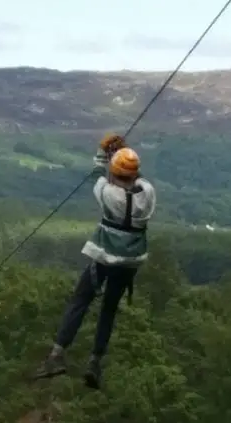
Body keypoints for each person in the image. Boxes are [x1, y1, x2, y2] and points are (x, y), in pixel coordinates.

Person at [33, 133, 157, 389]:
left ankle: (56, 355)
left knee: (80, 300)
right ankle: (95, 362)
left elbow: (97, 174)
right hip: (129, 262)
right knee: (108, 310)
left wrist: (105, 153)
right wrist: (124, 154)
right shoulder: (147, 195)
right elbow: (137, 177)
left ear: (115, 172)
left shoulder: (108, 194)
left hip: (104, 258)